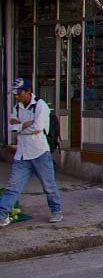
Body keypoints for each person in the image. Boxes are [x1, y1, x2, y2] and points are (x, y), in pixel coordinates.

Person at [0, 78, 63, 226]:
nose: (17, 97)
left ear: (28, 91)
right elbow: (10, 128)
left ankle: (56, 210)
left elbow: (38, 127)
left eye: (19, 93)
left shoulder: (41, 106)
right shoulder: (17, 107)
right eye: (15, 94)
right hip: (22, 155)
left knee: (49, 186)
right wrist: (24, 125)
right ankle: (2, 214)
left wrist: (20, 127)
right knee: (12, 187)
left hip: (40, 153)